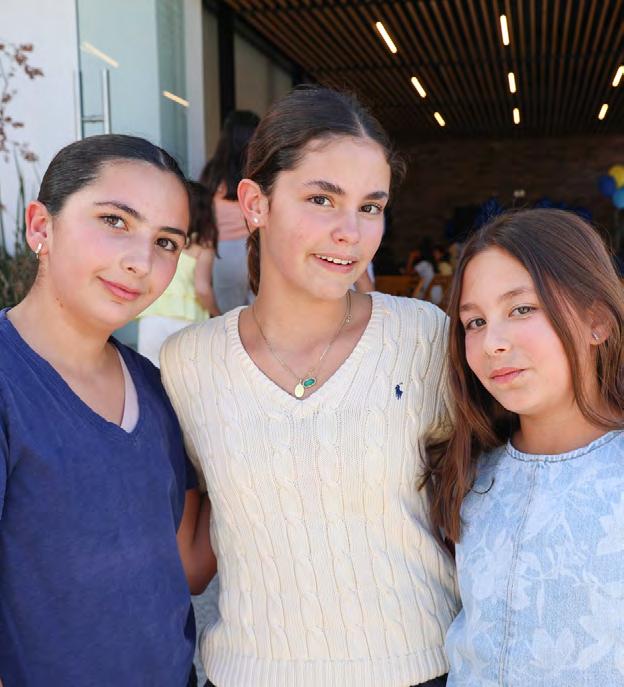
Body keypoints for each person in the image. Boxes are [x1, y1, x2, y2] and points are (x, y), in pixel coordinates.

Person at [160, 86, 459, 687]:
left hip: (417, 667)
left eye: (371, 206)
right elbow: (188, 555)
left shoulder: (423, 337)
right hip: (248, 673)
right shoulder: (188, 363)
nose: (351, 231)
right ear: (256, 203)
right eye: (322, 199)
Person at [0, 134, 215, 686]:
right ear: (40, 227)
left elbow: (188, 567)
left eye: (166, 242)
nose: (140, 262)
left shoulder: (156, 389)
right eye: (115, 221)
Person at [424, 209, 624, 685]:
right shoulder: (468, 474)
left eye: (521, 309)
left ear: (597, 321)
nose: (491, 343)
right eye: (474, 322)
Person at [138, 181, 220, 367]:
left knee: (150, 374)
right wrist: (218, 315)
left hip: (153, 317)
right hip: (187, 320)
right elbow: (202, 289)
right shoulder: (202, 245)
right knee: (185, 376)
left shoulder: (160, 240)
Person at [200, 110, 260, 313]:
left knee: (229, 318)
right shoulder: (258, 170)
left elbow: (204, 214)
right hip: (256, 246)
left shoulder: (212, 173)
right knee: (260, 315)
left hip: (223, 251)